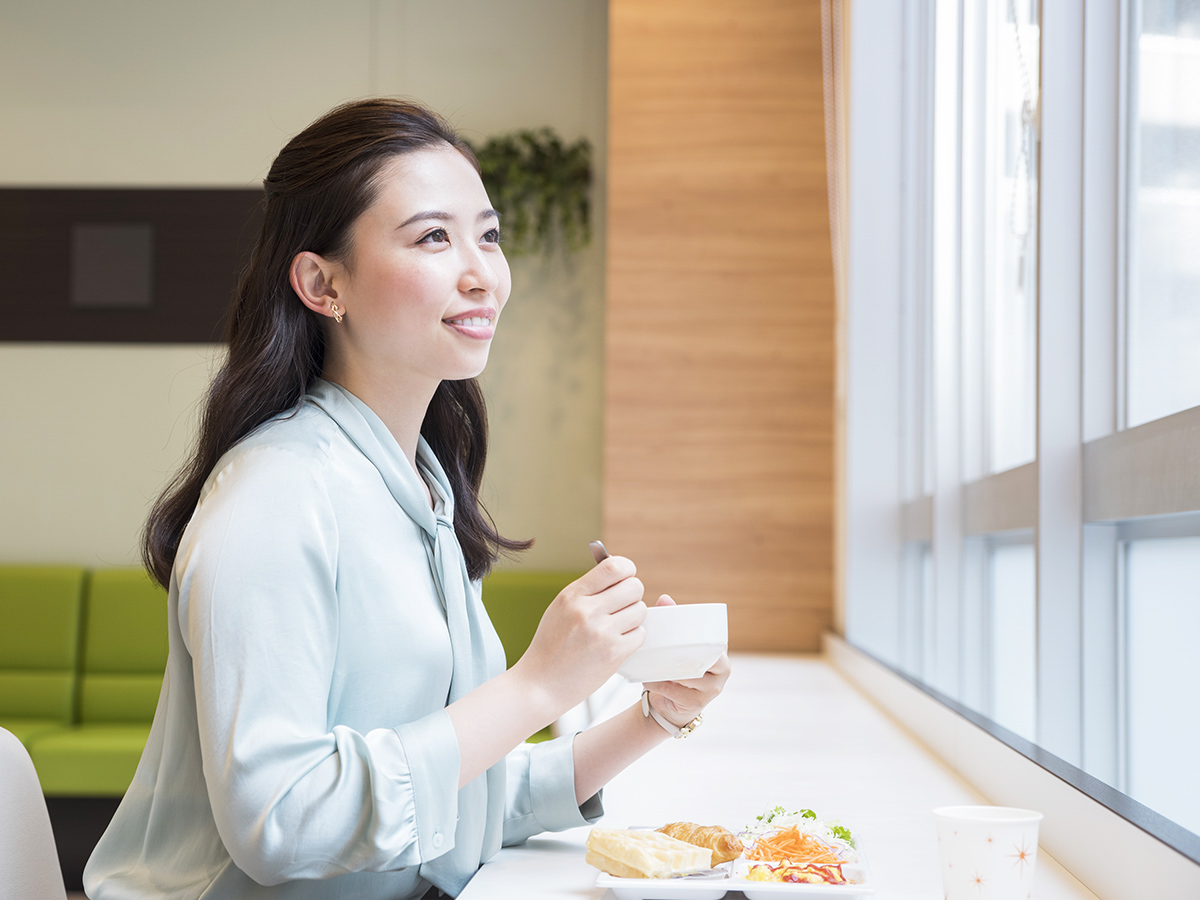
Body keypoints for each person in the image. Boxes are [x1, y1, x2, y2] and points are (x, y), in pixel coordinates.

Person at [83, 98, 730, 900]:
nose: (482, 272)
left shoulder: (420, 483)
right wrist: (536, 685)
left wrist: (653, 716)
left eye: (488, 235)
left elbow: (452, 798)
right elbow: (283, 824)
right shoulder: (275, 497)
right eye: (433, 237)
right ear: (323, 283)